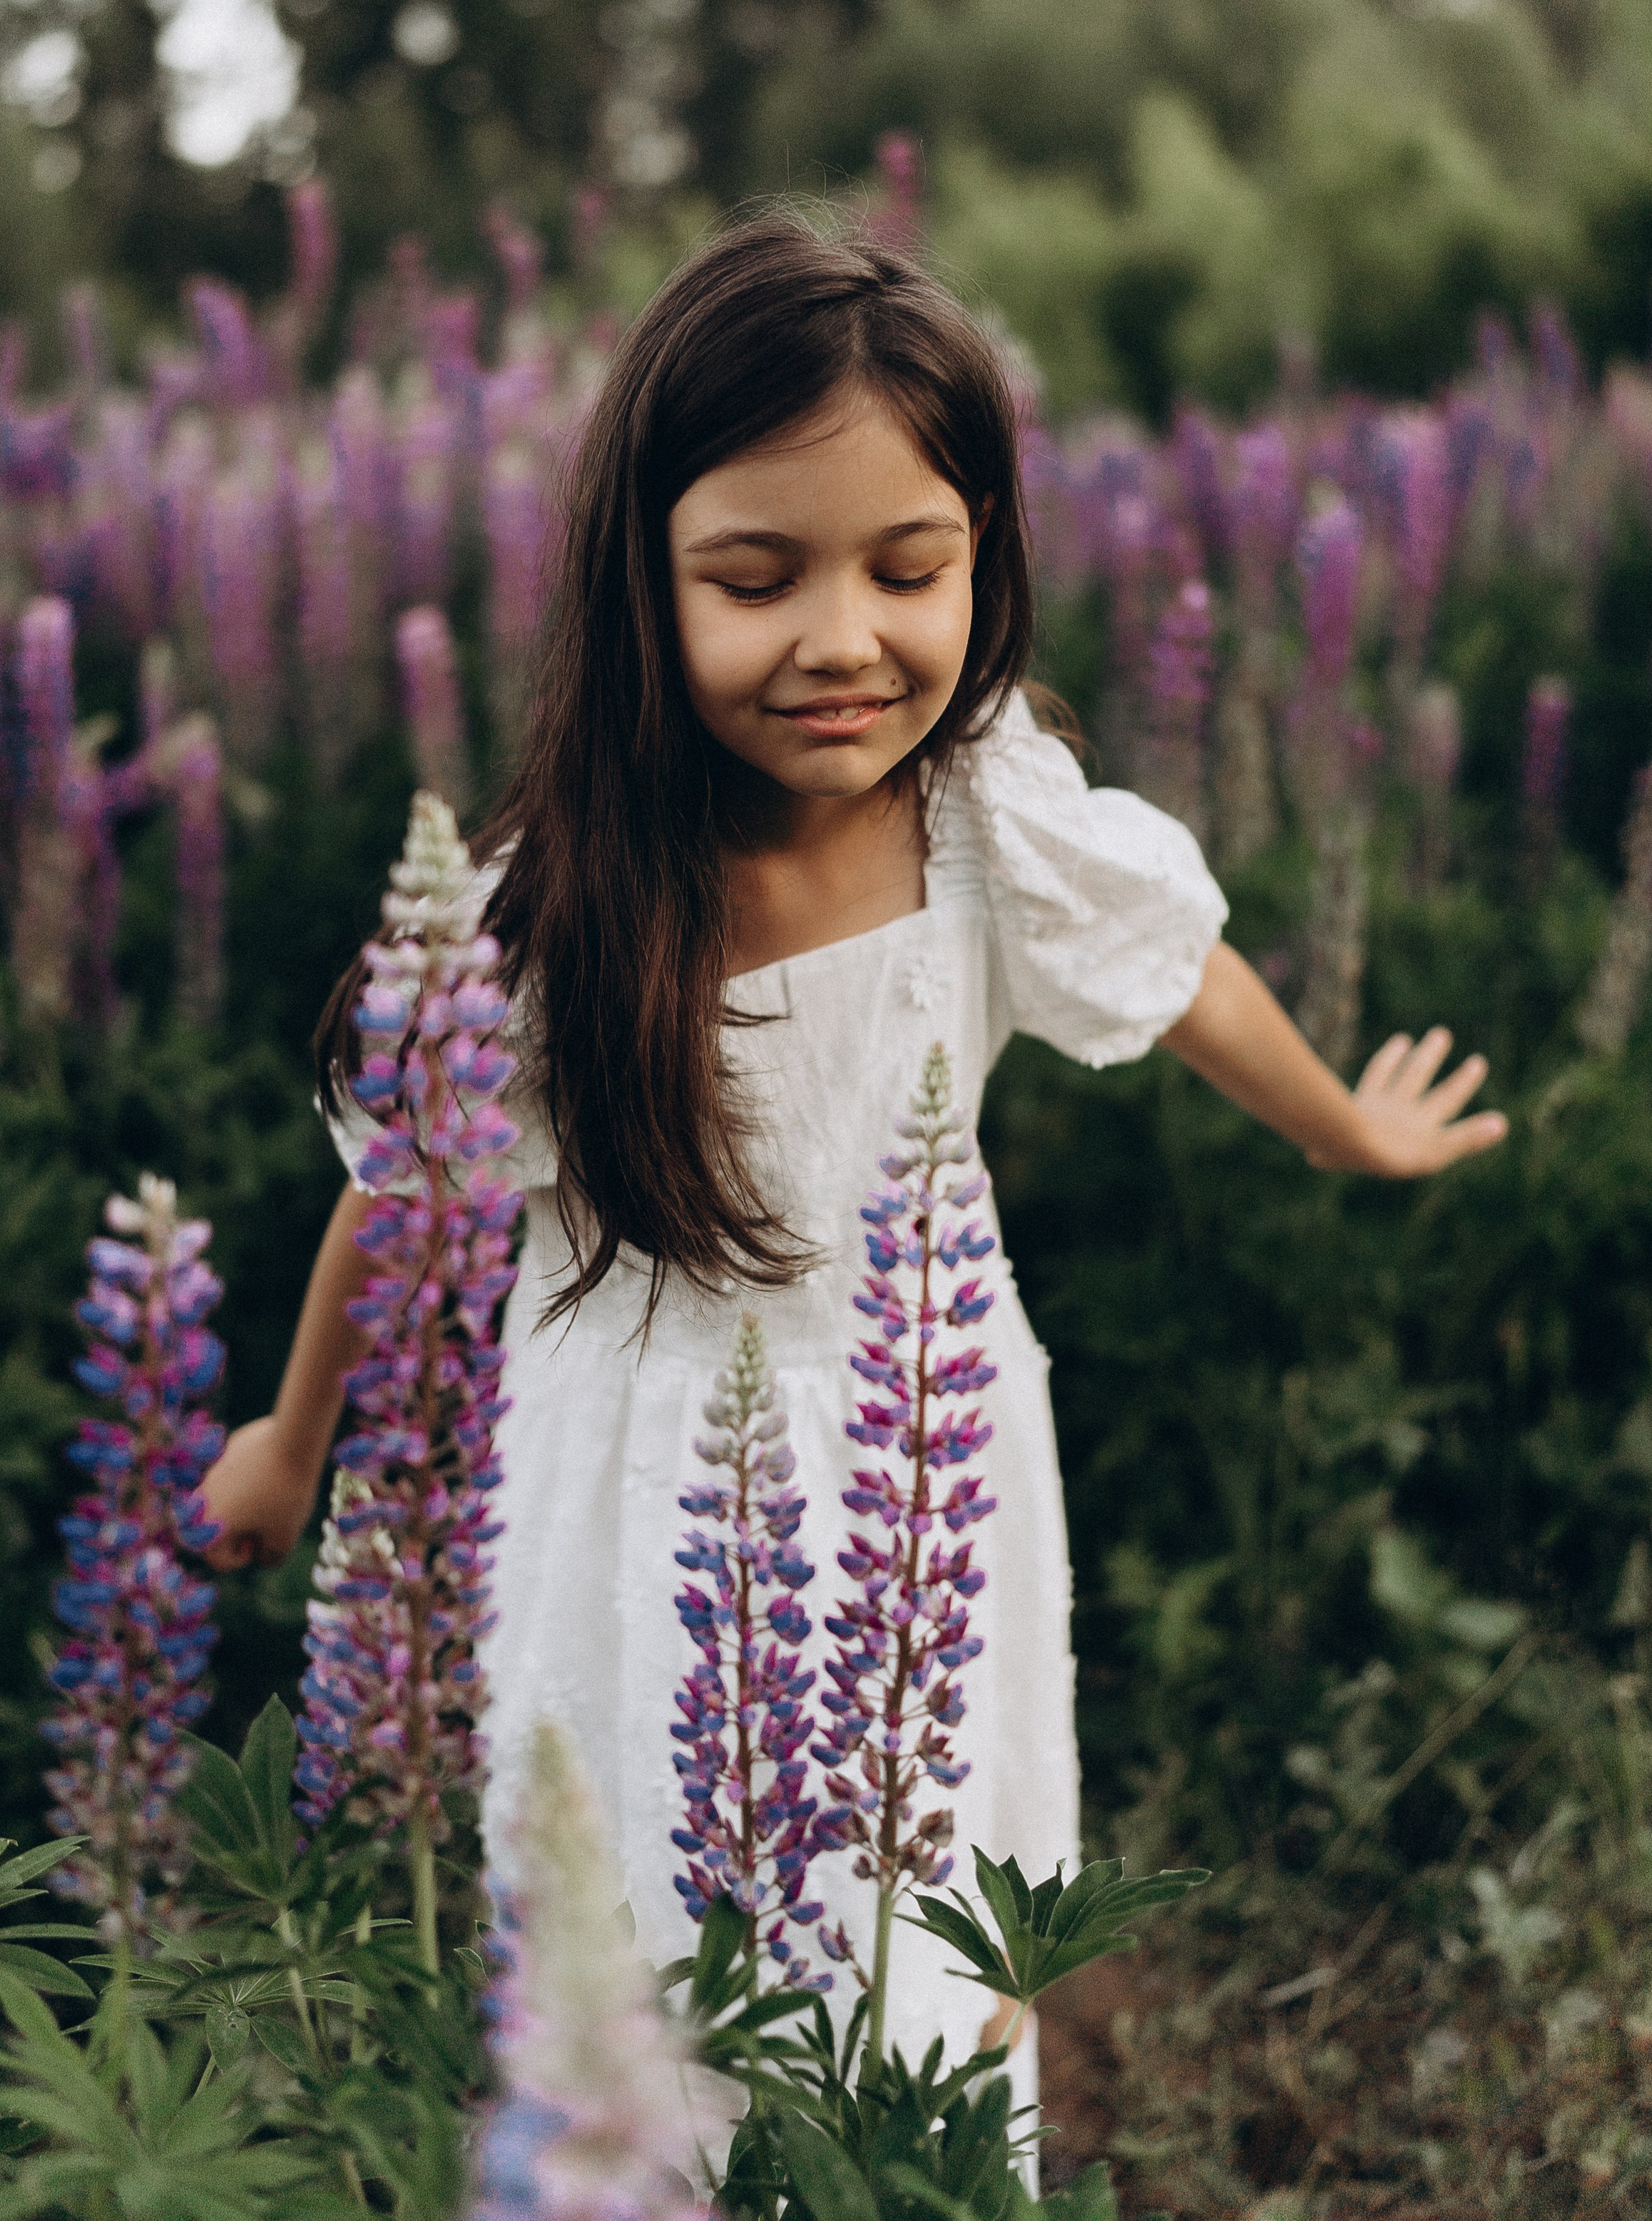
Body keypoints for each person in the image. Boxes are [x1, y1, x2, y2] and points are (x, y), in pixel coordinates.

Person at [197, 212, 1505, 2084]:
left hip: (925, 1450)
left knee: (927, 1924)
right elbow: (400, 1196)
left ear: (989, 554)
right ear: (640, 580)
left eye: (911, 569)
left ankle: (933, 2176)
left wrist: (1344, 1126)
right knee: (661, 1956)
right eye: (756, 579)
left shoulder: (989, 816)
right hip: (644, 1487)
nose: (843, 641)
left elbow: (1181, 977)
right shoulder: (552, 918)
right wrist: (291, 1435)